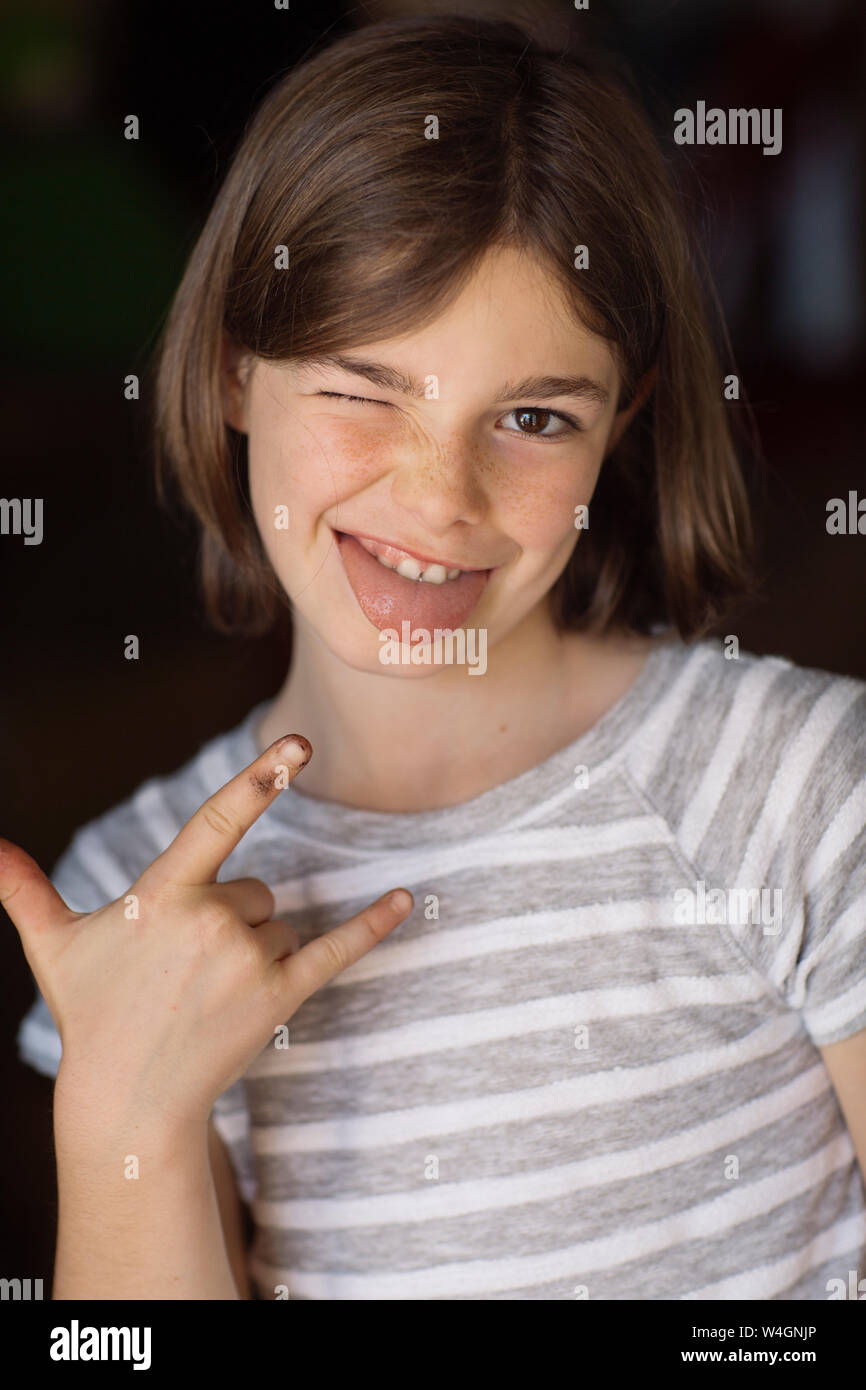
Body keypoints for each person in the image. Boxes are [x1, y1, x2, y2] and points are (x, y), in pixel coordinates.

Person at [7, 14, 866, 1301]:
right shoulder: (134, 894)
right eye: (364, 388)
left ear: (617, 425)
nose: (438, 495)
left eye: (529, 416)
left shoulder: (800, 788)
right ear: (238, 369)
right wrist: (126, 1121)